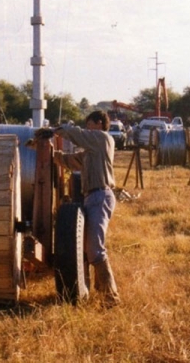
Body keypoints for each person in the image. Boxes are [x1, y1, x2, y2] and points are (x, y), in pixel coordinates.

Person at [50, 110, 120, 306]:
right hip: (92, 197)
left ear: (98, 123)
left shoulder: (102, 139)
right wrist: (50, 153)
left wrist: (58, 130)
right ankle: (97, 292)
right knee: (89, 249)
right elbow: (70, 161)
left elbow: (80, 135)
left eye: (89, 124)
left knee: (95, 248)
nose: (87, 128)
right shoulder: (92, 151)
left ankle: (111, 297)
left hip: (100, 196)